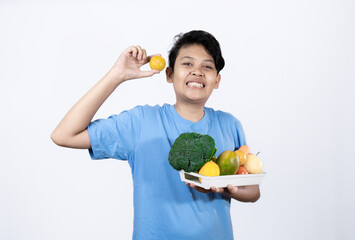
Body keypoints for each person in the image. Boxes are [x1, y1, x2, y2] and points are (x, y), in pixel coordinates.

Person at [51, 30, 260, 240]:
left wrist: (225, 189)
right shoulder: (141, 122)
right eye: (187, 64)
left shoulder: (230, 124)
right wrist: (117, 74)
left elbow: (252, 190)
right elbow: (64, 135)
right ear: (169, 74)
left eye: (207, 66)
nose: (197, 72)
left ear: (217, 80)